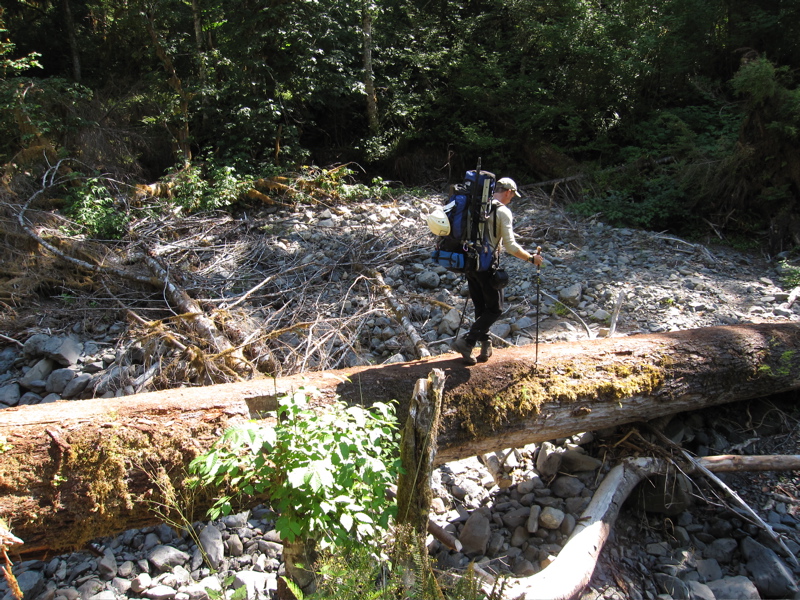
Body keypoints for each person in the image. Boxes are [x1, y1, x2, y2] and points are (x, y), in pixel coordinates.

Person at [451, 177, 543, 365]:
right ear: (508, 191)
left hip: (468, 262)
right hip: (486, 265)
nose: (511, 199)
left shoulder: (475, 207)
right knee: (495, 309)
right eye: (512, 196)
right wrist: (532, 259)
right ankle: (467, 342)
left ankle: (485, 347)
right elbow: (510, 246)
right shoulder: (503, 212)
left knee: (480, 307)